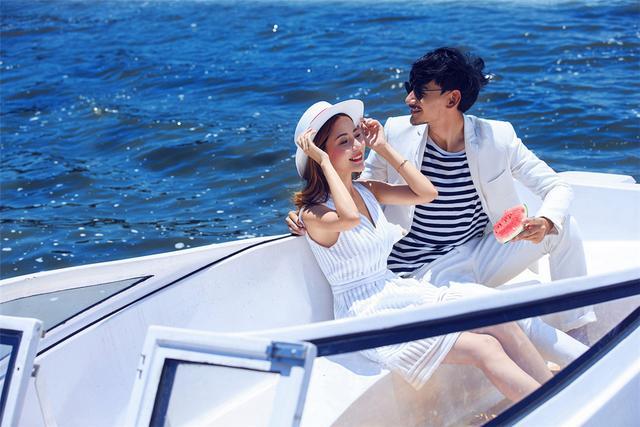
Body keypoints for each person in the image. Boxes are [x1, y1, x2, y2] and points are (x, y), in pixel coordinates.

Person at [288, 47, 595, 340]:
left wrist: (545, 221)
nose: (409, 98)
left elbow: (557, 186)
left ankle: (579, 334)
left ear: (452, 98)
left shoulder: (497, 138)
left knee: (563, 228)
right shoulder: (395, 132)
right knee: (506, 319)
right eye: (409, 88)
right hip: (426, 272)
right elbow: (358, 190)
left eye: (420, 92)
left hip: (481, 252)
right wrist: (309, 213)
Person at [292, 99, 586, 402]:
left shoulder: (367, 191)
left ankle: (561, 398)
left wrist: (383, 147)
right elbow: (350, 219)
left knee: (501, 319)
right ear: (319, 154)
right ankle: (553, 409)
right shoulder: (314, 213)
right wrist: (324, 163)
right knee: (486, 348)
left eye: (357, 135)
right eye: (344, 141)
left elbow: (427, 193)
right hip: (367, 315)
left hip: (400, 292)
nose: (357, 146)